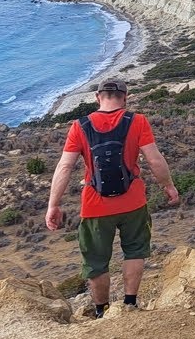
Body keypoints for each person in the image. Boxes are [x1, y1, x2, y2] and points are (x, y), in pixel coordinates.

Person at [45, 78, 179, 318]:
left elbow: (64, 167)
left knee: (96, 262)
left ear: (98, 98)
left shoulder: (80, 125)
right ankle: (129, 305)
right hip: (134, 203)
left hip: (95, 206)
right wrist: (168, 186)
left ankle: (101, 311)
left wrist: (53, 205)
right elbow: (154, 159)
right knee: (135, 251)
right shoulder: (137, 121)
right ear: (125, 98)